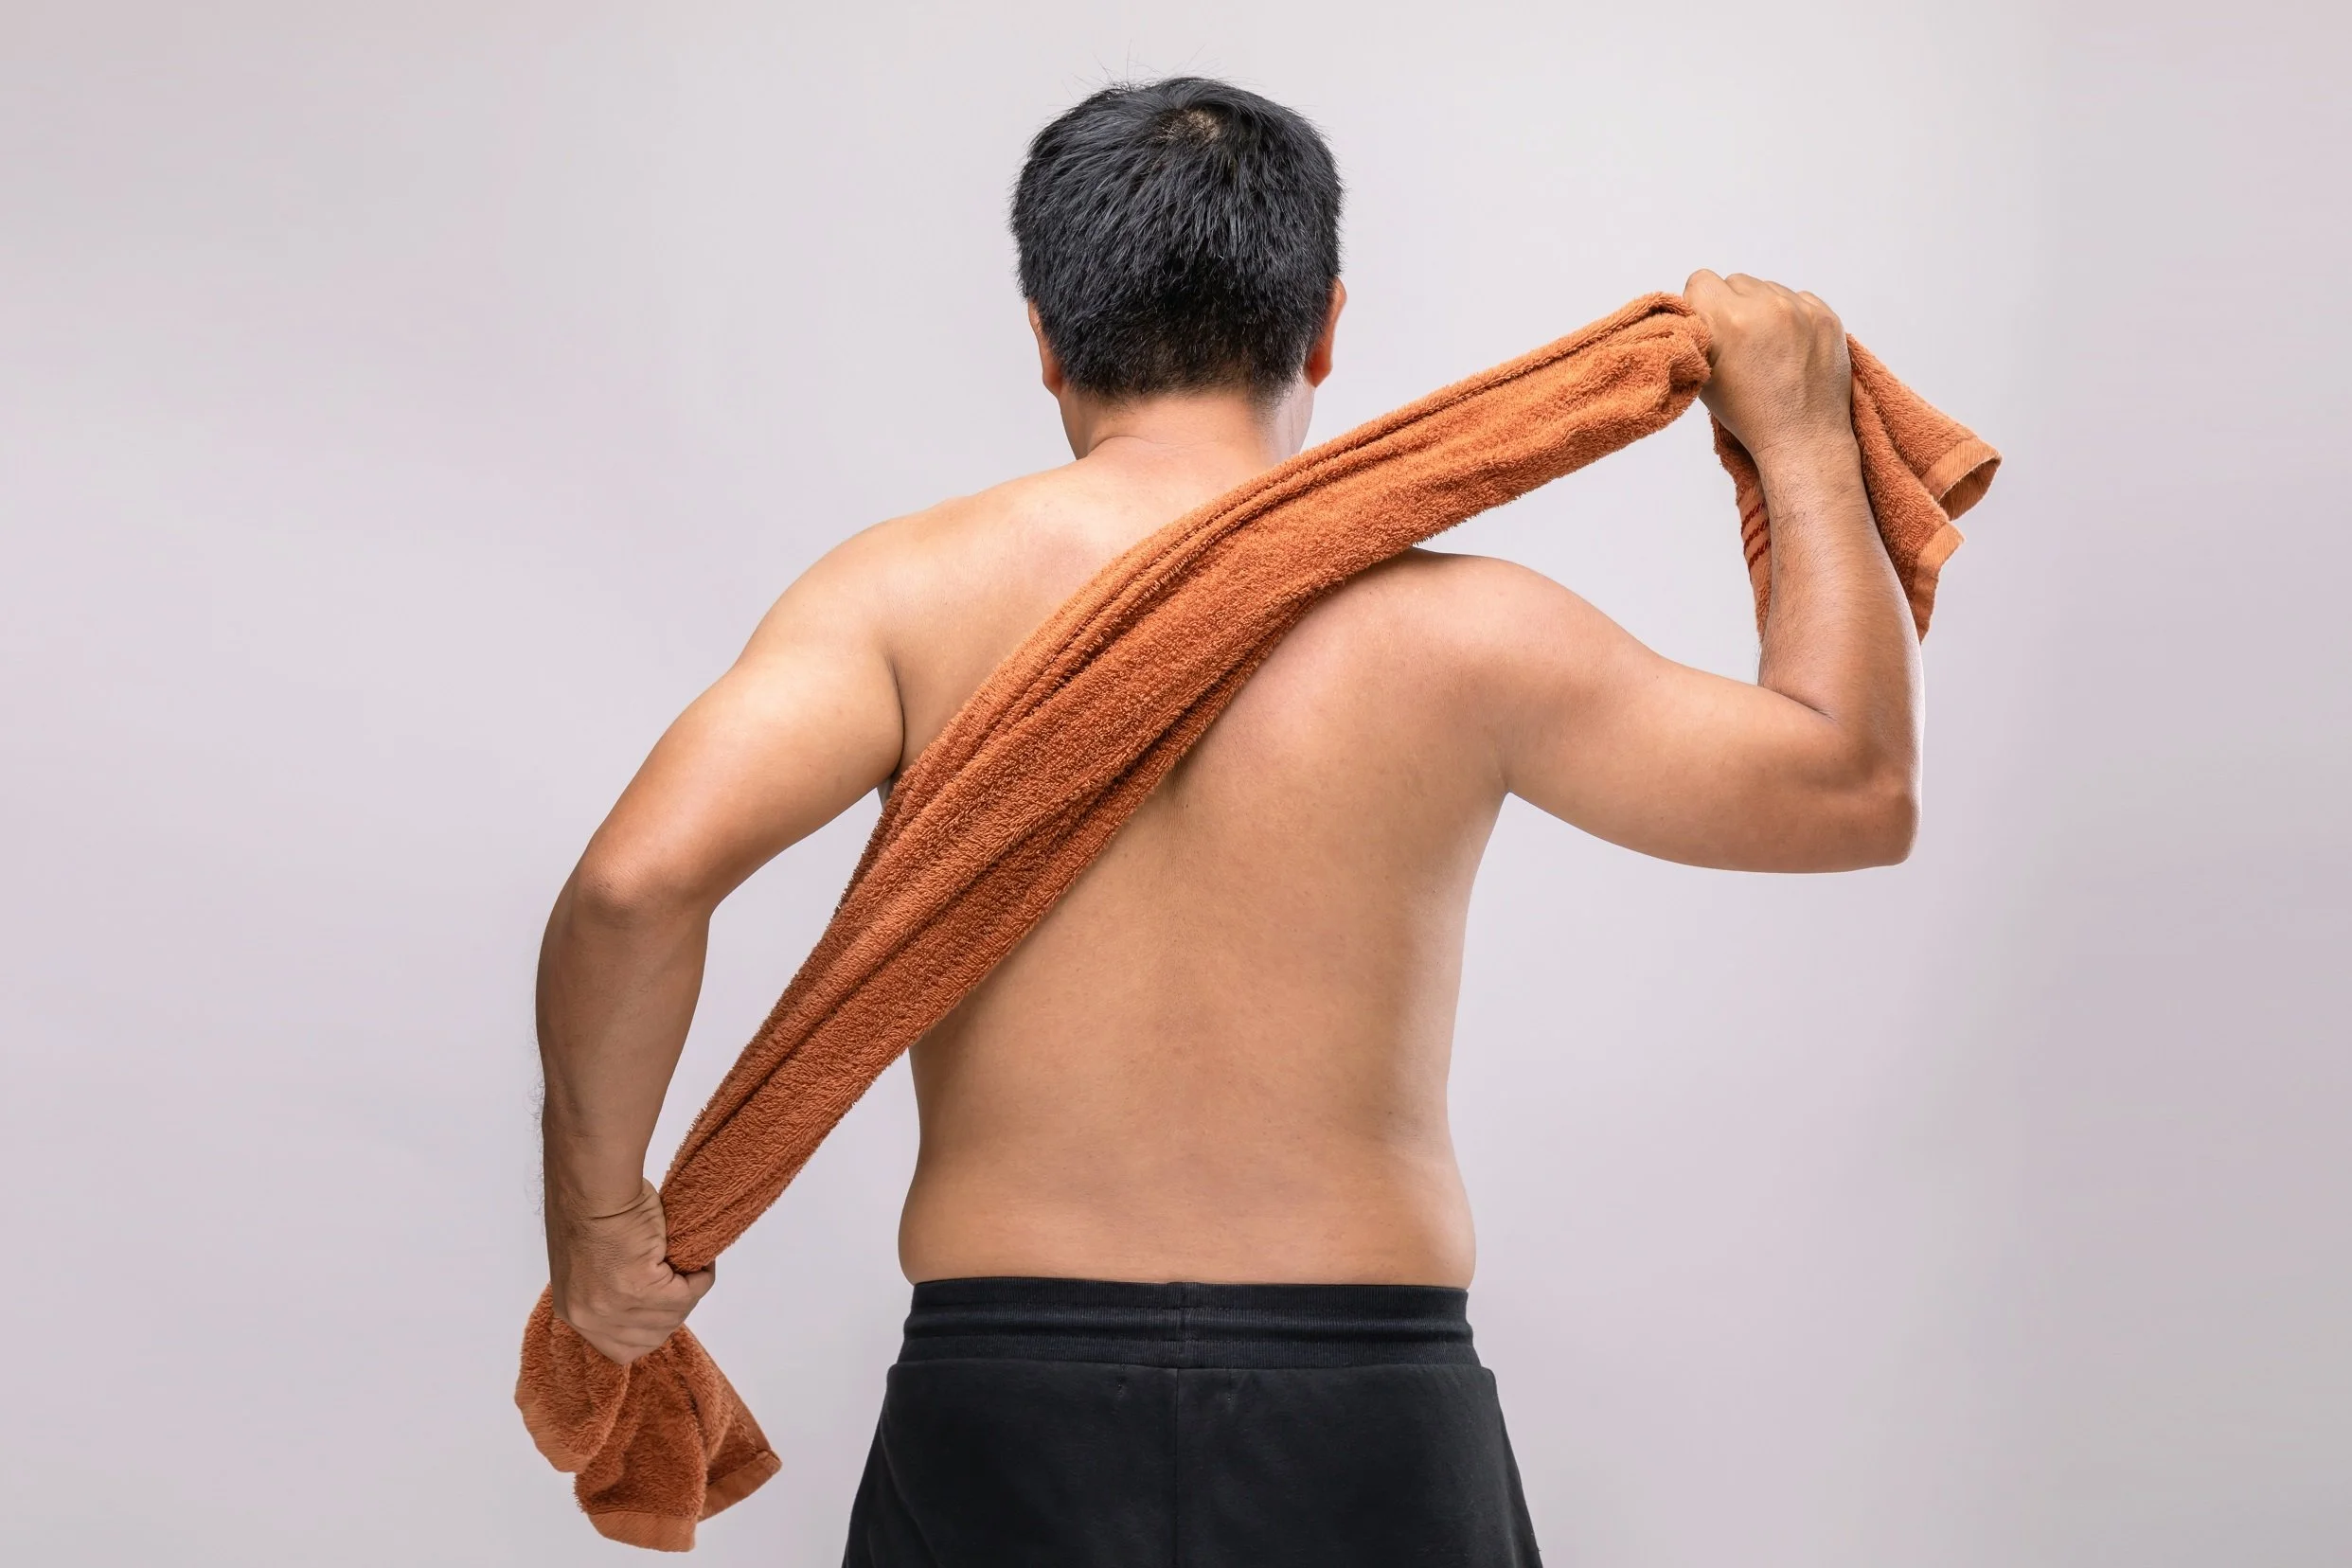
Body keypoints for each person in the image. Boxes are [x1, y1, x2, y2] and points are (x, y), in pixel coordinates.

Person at [534, 76, 1920, 1566]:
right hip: (1369, 1414)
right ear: (1324, 325)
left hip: (1005, 1402)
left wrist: (601, 1225)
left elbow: (633, 888)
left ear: (1047, 342)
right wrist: (1805, 440)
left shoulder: (900, 597)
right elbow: (1847, 789)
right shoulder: (1470, 633)